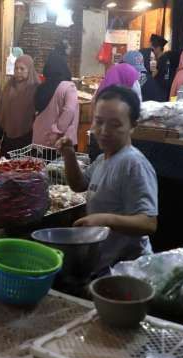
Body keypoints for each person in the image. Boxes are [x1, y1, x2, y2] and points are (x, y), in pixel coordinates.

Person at [56, 85, 158, 274]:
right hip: (105, 264)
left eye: (115, 124)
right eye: (99, 121)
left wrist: (104, 219)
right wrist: (69, 155)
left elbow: (148, 223)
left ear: (133, 126)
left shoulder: (133, 164)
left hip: (127, 270)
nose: (103, 131)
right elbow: (79, 185)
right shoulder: (104, 158)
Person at [0, 54, 39, 157]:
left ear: (29, 70)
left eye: (22, 68)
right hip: (8, 138)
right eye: (16, 68)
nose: (18, 71)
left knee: (24, 170)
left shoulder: (36, 89)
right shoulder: (8, 87)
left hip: (28, 139)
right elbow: (1, 113)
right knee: (6, 168)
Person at [32, 54, 79, 147]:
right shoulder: (69, 87)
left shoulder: (41, 87)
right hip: (60, 142)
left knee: (39, 161)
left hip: (40, 138)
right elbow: (69, 110)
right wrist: (57, 130)